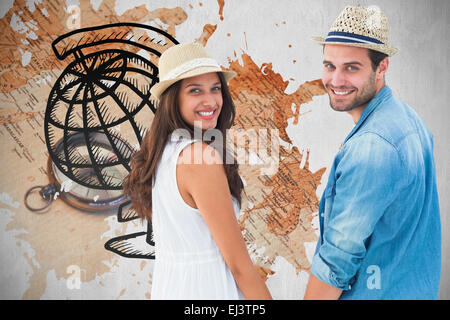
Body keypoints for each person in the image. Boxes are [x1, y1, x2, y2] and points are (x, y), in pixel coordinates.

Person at [304, 6, 441, 299]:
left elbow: (336, 263)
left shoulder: (372, 147)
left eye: (351, 67)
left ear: (382, 67)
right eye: (330, 65)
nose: (336, 80)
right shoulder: (409, 121)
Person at [123, 43, 272, 300]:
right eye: (195, 91)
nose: (211, 100)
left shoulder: (161, 151)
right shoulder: (199, 158)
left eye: (215, 88)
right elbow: (239, 265)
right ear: (173, 99)